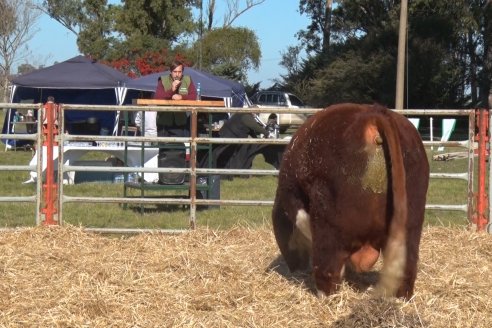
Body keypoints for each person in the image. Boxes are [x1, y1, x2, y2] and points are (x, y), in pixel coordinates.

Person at [205, 112, 270, 171]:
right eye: (256, 114)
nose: (256, 116)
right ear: (253, 112)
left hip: (227, 136)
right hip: (230, 138)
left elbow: (250, 130)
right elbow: (255, 127)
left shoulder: (240, 114)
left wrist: (256, 138)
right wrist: (267, 133)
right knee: (235, 154)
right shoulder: (246, 116)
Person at [154, 60, 197, 137]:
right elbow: (157, 97)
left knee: (179, 147)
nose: (177, 74)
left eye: (179, 72)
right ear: (171, 71)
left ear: (182, 72)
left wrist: (182, 97)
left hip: (180, 121)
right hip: (164, 121)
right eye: (175, 71)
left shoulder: (187, 80)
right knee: (163, 147)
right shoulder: (162, 80)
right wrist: (172, 90)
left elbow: (194, 96)